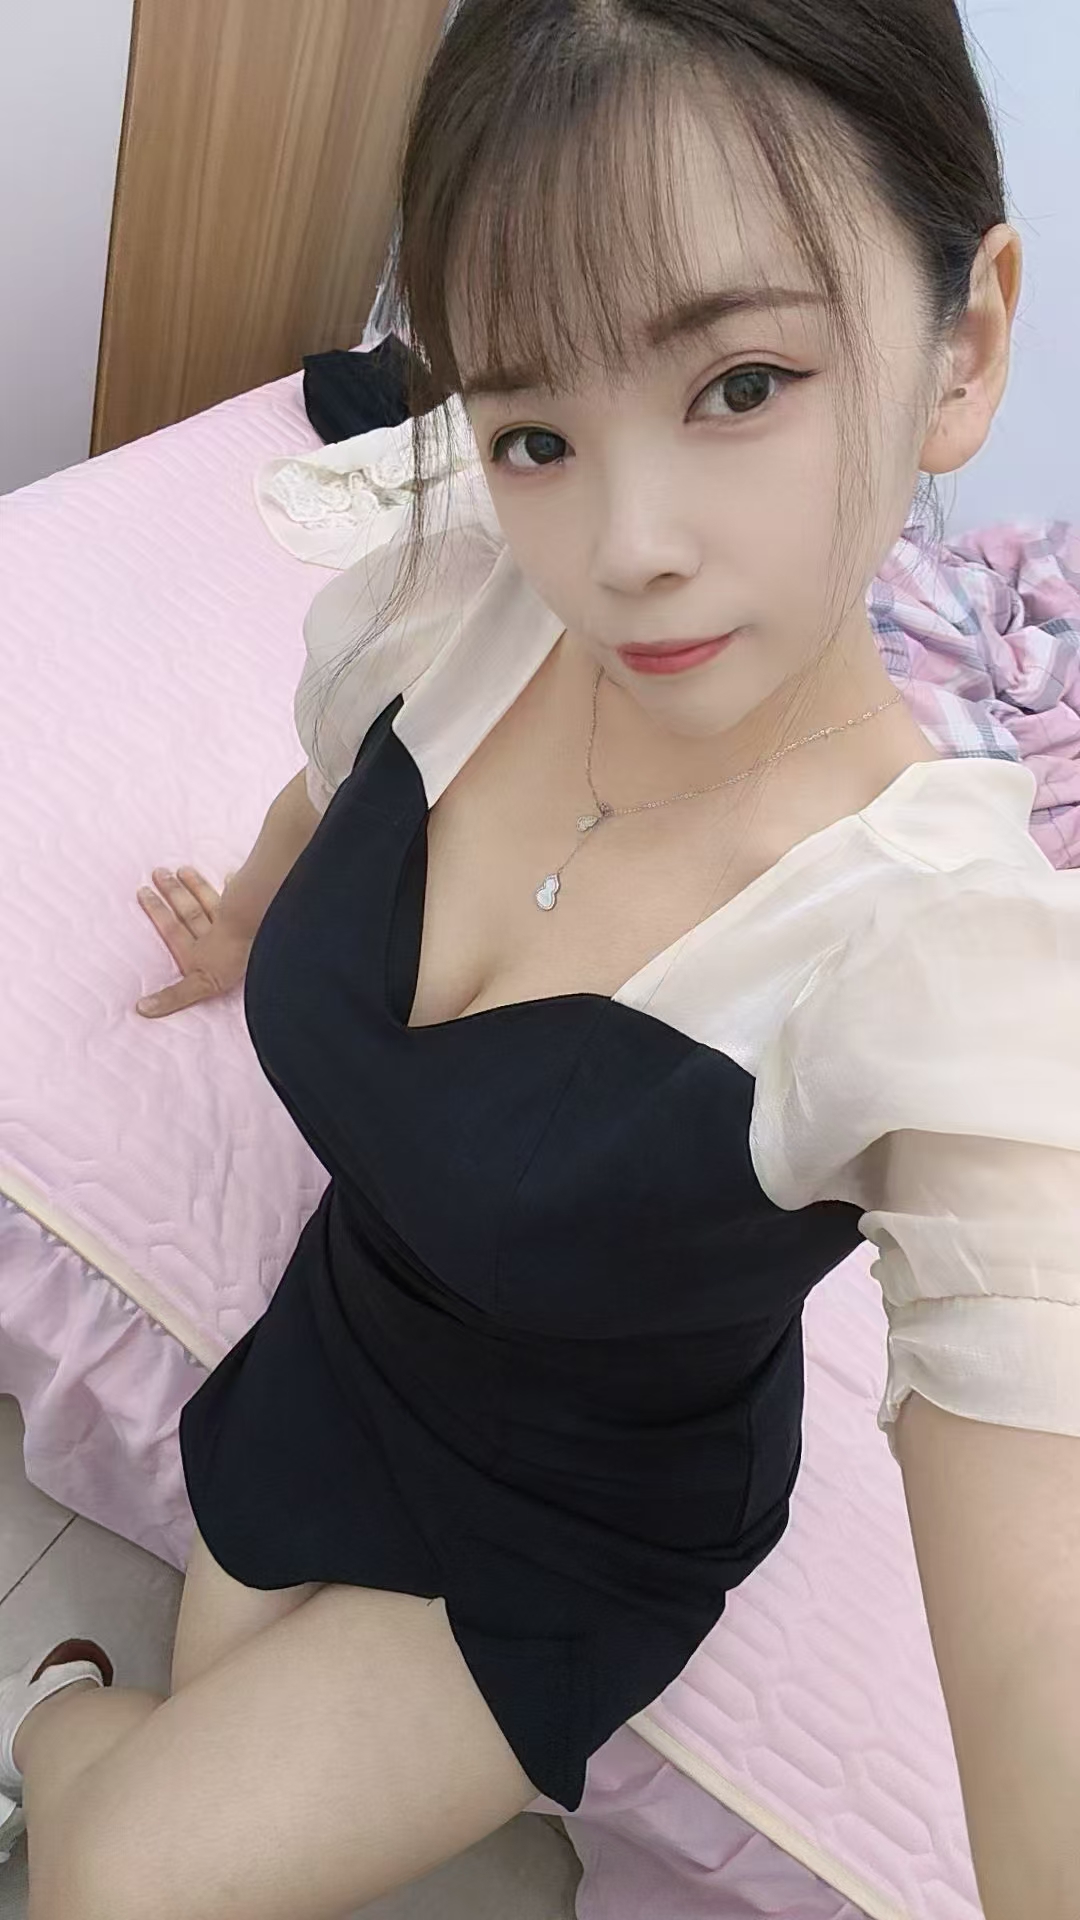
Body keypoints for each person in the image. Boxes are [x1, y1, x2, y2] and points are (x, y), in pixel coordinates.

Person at [4, 3, 1078, 1915]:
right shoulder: (456, 604)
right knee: (210, 1733)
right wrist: (249, 921)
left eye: (741, 382)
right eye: (534, 430)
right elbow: (330, 788)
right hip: (347, 1328)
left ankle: (49, 1711)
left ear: (963, 347)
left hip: (588, 1508)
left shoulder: (943, 967)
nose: (625, 546)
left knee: (118, 1876)